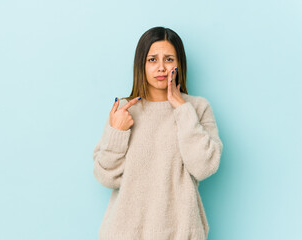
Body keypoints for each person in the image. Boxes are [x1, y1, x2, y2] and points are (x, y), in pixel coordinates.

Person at [92, 26, 223, 240]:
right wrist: (117, 131)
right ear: (141, 64)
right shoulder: (124, 111)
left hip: (181, 232)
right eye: (152, 59)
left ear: (179, 63)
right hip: (125, 233)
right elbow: (106, 177)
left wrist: (182, 109)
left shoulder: (197, 108)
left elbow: (204, 167)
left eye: (169, 59)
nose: (161, 67)